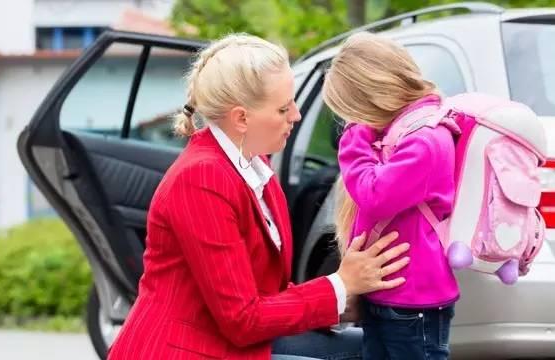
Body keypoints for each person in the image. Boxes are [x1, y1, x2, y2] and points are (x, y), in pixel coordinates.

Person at [107, 33, 411, 360]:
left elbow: (266, 295)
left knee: (375, 348)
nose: (295, 115)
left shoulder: (254, 164)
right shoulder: (201, 179)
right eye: (283, 108)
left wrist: (345, 304)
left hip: (230, 341)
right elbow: (242, 318)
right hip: (189, 350)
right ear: (241, 118)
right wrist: (339, 285)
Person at [323, 32, 460, 360]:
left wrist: (354, 137)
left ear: (370, 98)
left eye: (351, 111)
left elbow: (375, 196)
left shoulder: (425, 141)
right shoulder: (399, 135)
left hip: (413, 303)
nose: (350, 121)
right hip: (389, 295)